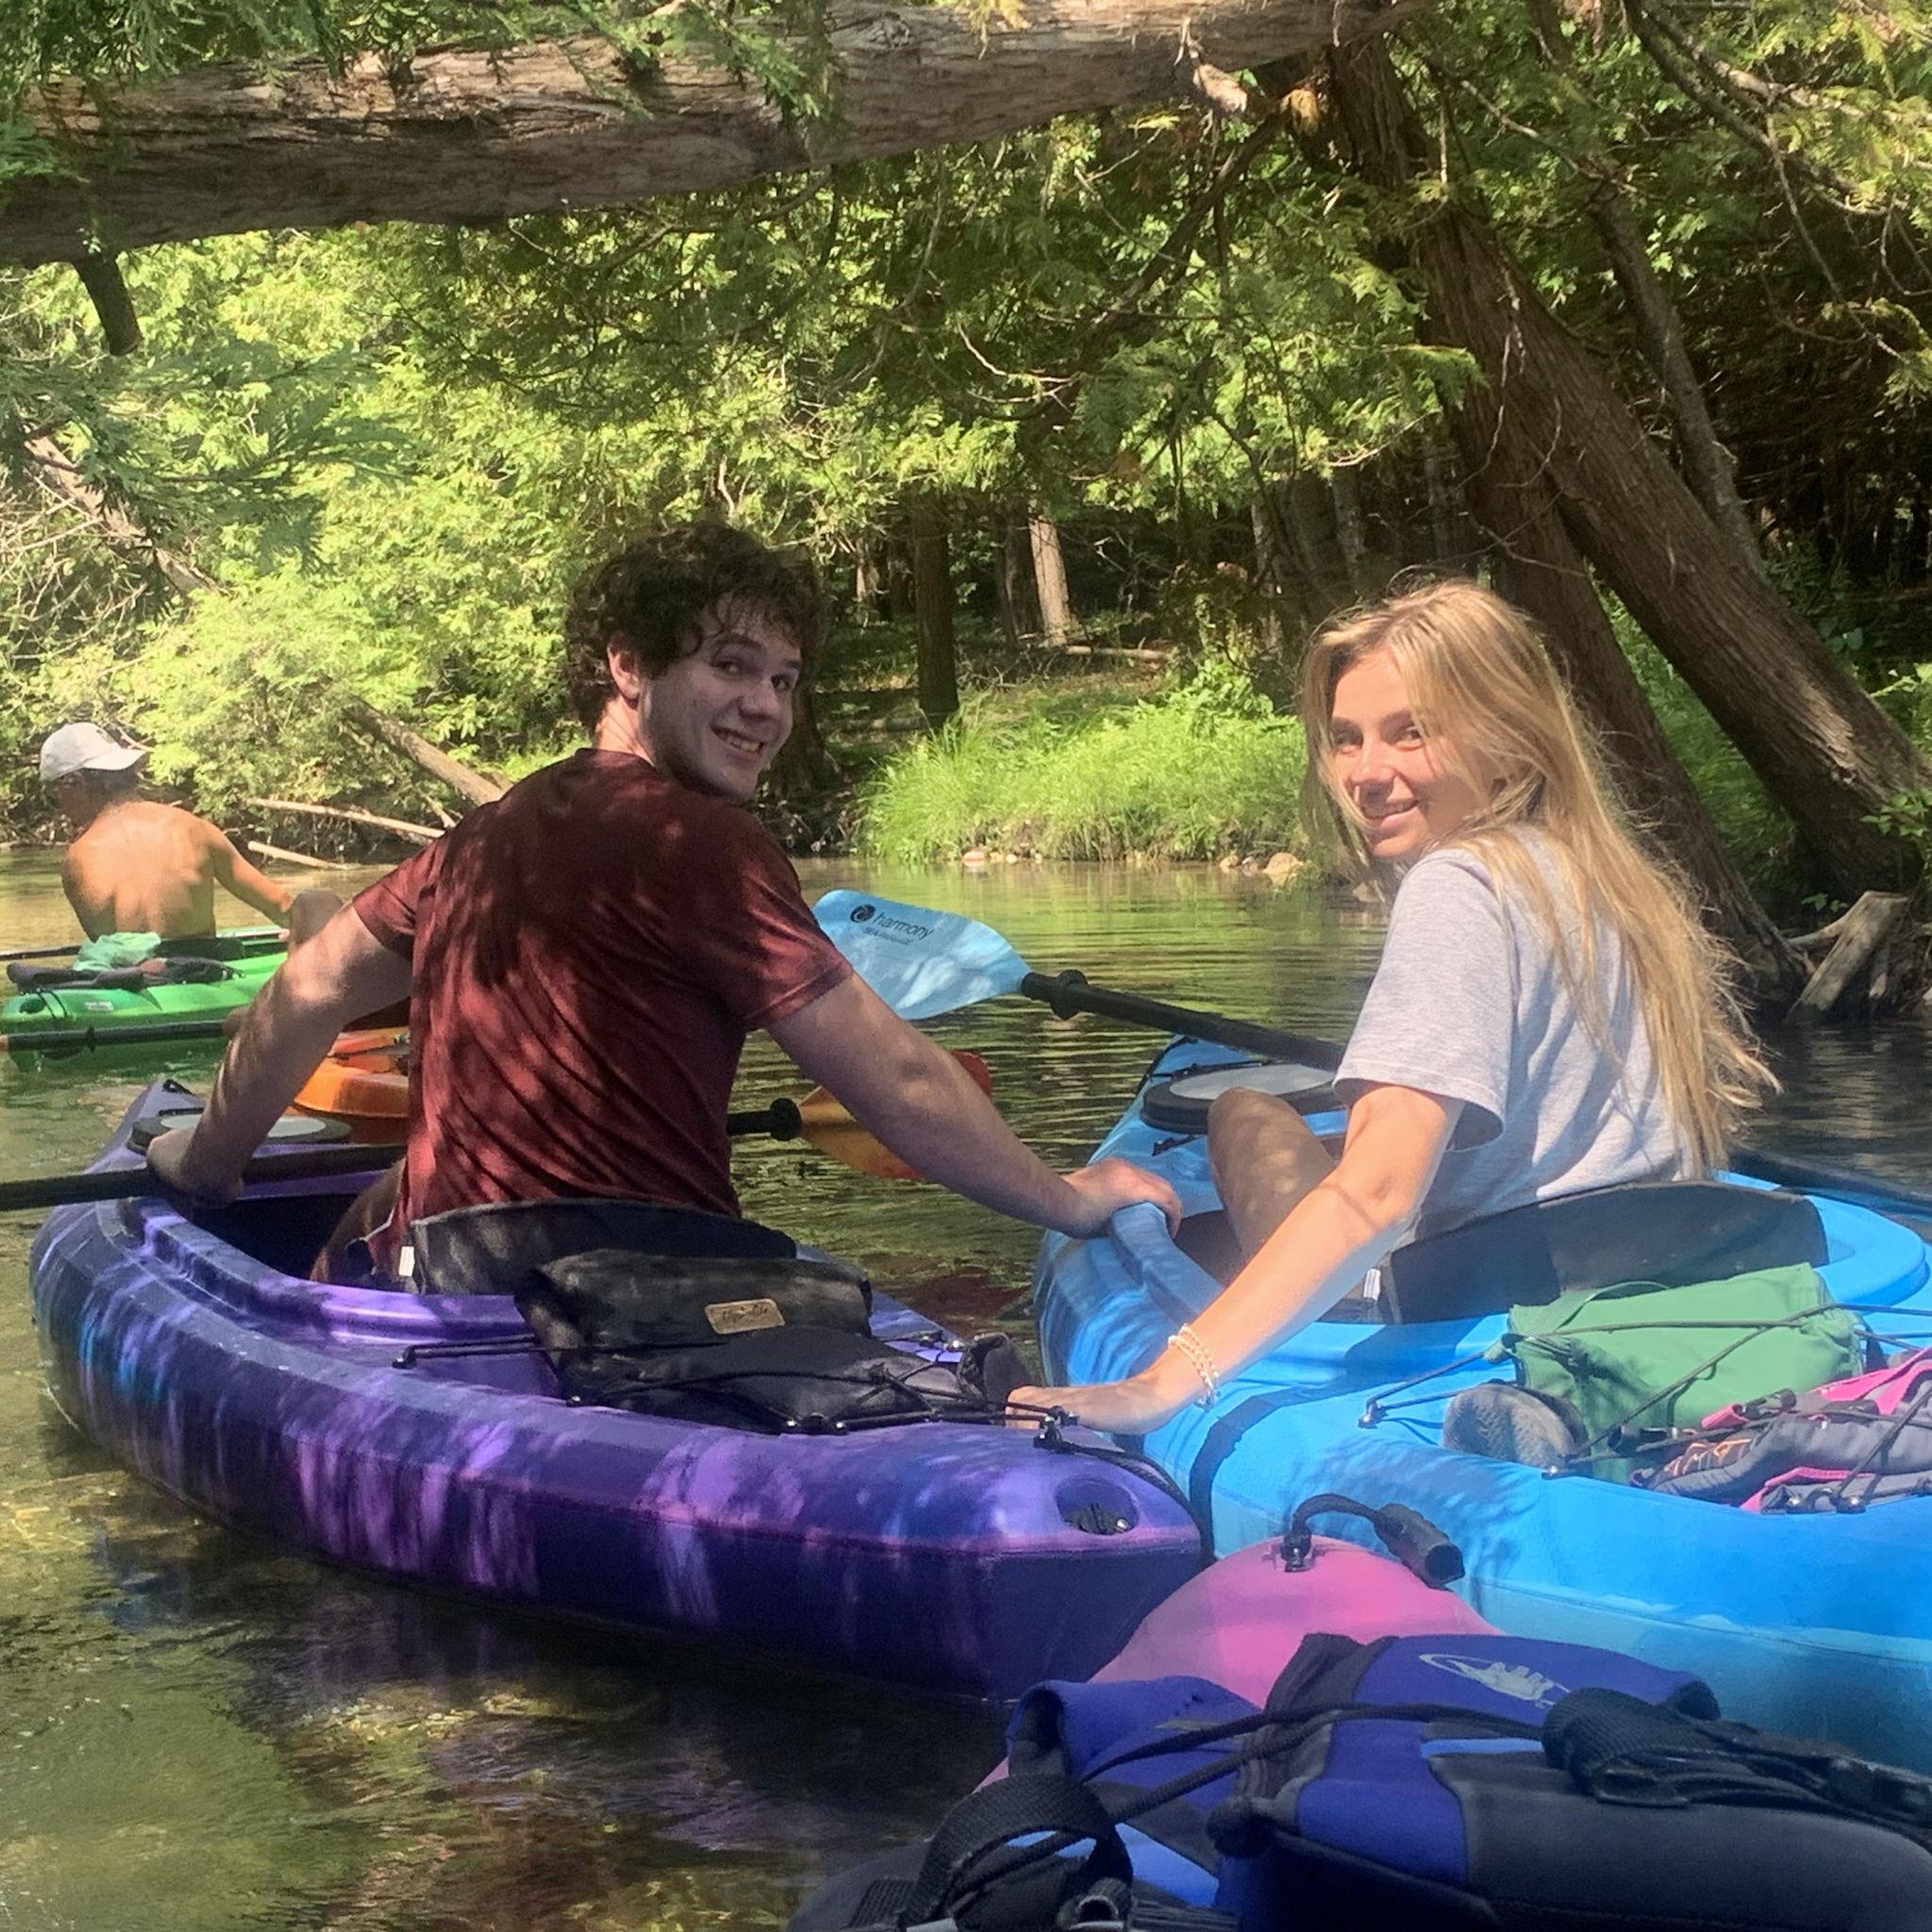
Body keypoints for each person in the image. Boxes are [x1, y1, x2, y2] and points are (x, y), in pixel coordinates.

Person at [145, 524, 1178, 1274]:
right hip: (637, 1280)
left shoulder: (481, 833)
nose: (768, 706)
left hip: (458, 1267)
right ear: (627, 665)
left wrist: (207, 1161)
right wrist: (1067, 1197)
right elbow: (896, 1078)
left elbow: (306, 991)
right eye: (732, 667)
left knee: (391, 1190)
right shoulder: (704, 842)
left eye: (784, 677)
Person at [1010, 577, 1774, 1433]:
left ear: (1510, 741)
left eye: (1413, 733)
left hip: (1475, 1303)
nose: (1367, 774)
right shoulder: (1612, 879)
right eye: (1347, 740)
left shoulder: (1458, 885)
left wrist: (1163, 1380)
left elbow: (1377, 1198)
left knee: (1242, 1113)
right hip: (1656, 1273)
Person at [41, 722, 338, 949]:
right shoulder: (193, 828)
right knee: (318, 901)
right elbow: (283, 907)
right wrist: (303, 938)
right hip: (201, 971)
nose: (59, 807)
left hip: (129, 984)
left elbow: (112, 947)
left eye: (55, 794)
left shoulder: (76, 860)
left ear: (76, 784)